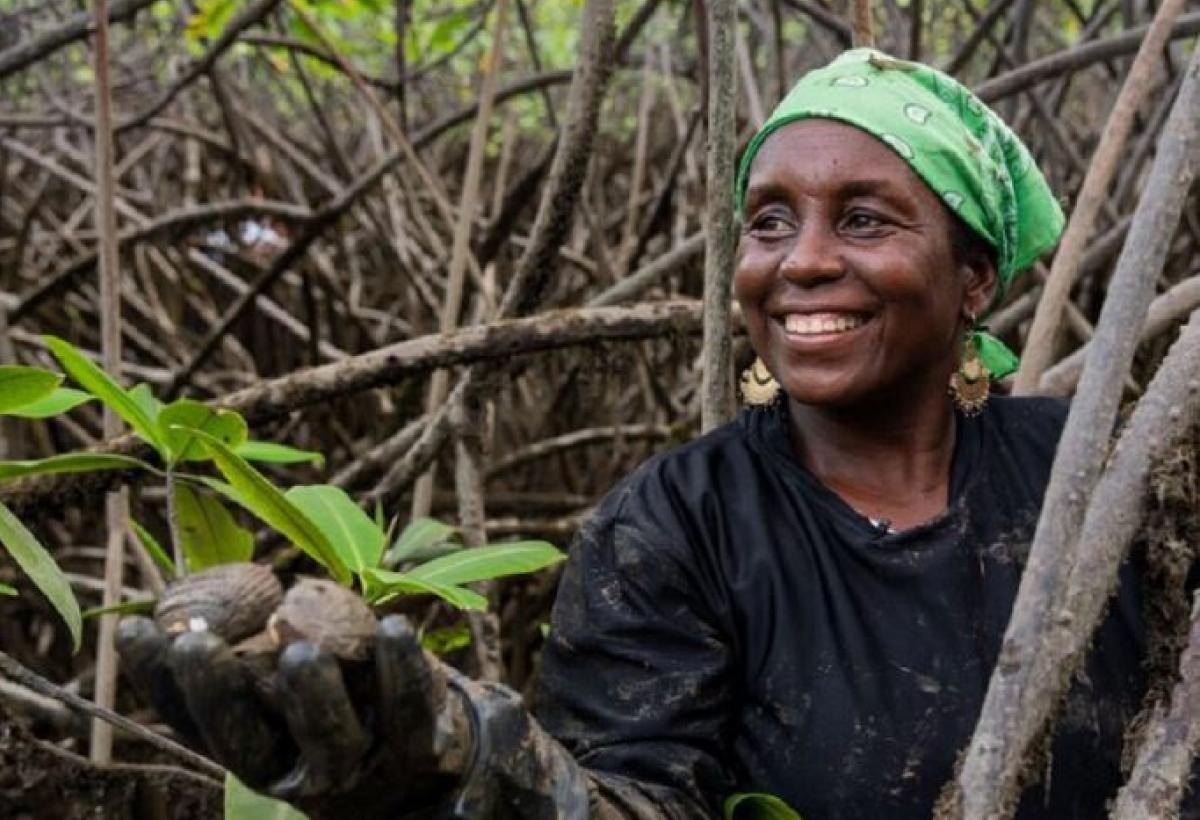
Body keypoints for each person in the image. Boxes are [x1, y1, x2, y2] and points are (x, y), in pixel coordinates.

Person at [117, 49, 1161, 819]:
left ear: (974, 276)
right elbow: (623, 801)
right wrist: (453, 757)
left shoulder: (1092, 472)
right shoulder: (672, 529)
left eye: (863, 219)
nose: (798, 261)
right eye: (769, 220)